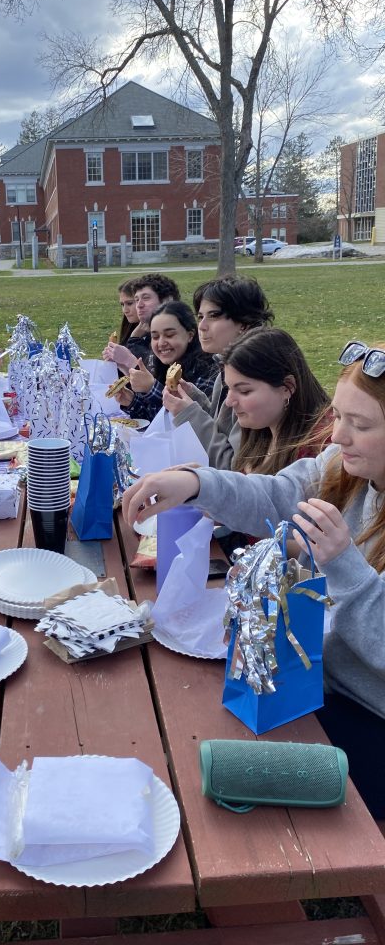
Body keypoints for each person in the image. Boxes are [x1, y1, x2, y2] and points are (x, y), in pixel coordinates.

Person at [123, 338, 385, 820]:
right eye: (340, 417)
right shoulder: (345, 468)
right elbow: (276, 494)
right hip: (316, 683)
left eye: (361, 424)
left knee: (207, 770)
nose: (339, 436)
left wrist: (347, 567)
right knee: (184, 725)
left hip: (370, 720)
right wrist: (195, 483)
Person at [168, 327, 330, 474]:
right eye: (229, 388)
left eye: (244, 391)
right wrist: (206, 480)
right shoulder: (261, 428)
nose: (229, 402)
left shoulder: (318, 453)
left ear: (287, 387)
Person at [163, 274, 274, 467]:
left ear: (243, 323)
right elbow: (221, 428)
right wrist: (193, 398)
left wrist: (189, 414)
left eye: (213, 316)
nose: (202, 326)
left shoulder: (255, 376)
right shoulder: (225, 369)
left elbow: (232, 465)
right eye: (200, 317)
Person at [113, 301, 218, 421]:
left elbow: (194, 423)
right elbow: (157, 419)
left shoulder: (206, 370)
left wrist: (151, 388)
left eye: (169, 335)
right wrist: (132, 401)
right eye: (155, 337)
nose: (161, 343)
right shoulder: (163, 366)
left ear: (190, 335)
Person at [103, 273, 181, 371]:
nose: (125, 310)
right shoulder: (136, 330)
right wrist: (117, 364)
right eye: (137, 299)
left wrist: (129, 355)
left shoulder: (175, 335)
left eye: (130, 303)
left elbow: (152, 378)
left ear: (166, 301)